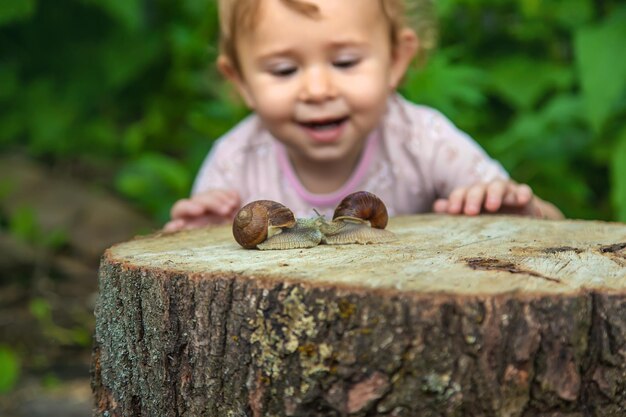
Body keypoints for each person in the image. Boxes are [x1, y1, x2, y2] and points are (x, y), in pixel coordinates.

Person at [164, 0, 563, 232]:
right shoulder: (235, 162)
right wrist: (199, 234)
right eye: (284, 70)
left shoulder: (424, 141)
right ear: (241, 82)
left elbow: (554, 227)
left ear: (396, 60)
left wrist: (517, 212)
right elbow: (192, 252)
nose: (318, 89)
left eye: (345, 61)